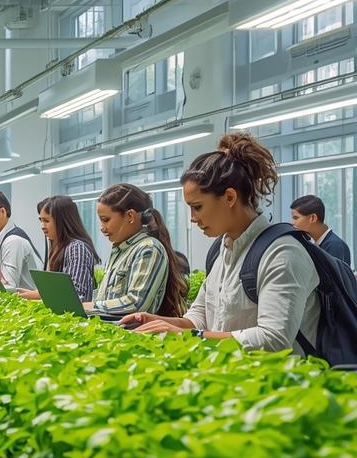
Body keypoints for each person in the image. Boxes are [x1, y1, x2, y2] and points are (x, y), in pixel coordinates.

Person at [127, 133, 321, 354]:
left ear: (230, 197)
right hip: (232, 378)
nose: (192, 217)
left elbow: (274, 338)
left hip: (280, 384)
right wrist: (155, 323)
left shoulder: (283, 253)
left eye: (197, 207)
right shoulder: (221, 252)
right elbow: (198, 319)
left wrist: (191, 335)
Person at [92, 183, 184, 316]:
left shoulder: (148, 249)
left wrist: (93, 305)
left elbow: (136, 303)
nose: (102, 227)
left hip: (134, 334)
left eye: (105, 220)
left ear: (130, 216)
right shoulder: (119, 250)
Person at [19, 195, 99, 301]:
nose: (42, 226)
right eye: (41, 220)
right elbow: (57, 290)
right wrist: (33, 294)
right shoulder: (57, 246)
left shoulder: (77, 248)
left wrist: (37, 295)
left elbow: (75, 295)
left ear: (63, 221)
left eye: (46, 221)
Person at [291, 194, 352, 266]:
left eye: (296, 218)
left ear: (313, 218)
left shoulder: (335, 246)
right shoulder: (318, 245)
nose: (293, 223)